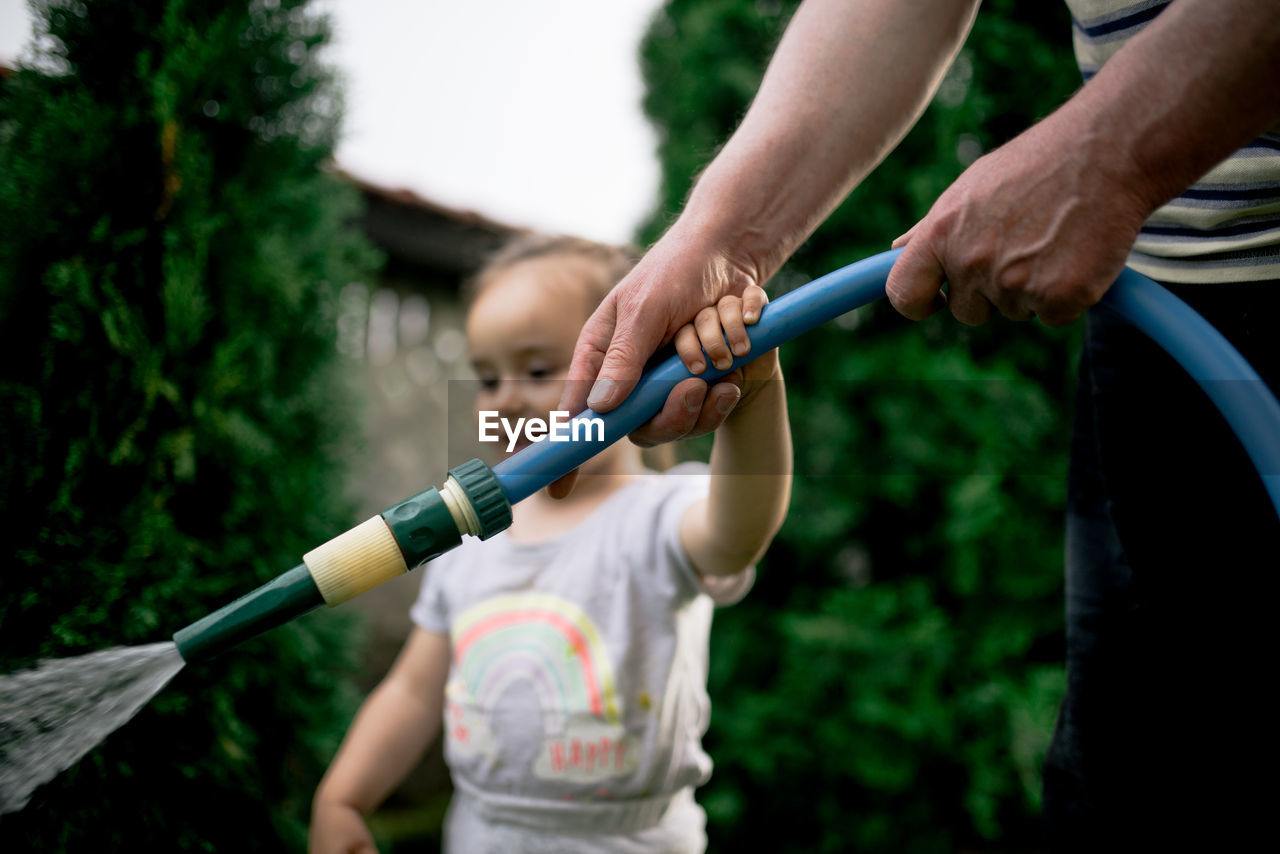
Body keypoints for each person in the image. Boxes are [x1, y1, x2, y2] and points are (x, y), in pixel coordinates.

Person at [554, 0, 1279, 846]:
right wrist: (723, 235)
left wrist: (1110, 152)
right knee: (1132, 786)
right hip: (1171, 303)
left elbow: (733, 530)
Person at [308, 235, 792, 854]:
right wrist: (342, 798)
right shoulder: (471, 540)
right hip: (482, 835)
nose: (505, 397)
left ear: (640, 370)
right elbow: (412, 690)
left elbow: (736, 536)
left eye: (537, 370)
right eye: (487, 378)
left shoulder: (660, 513)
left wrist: (753, 395)